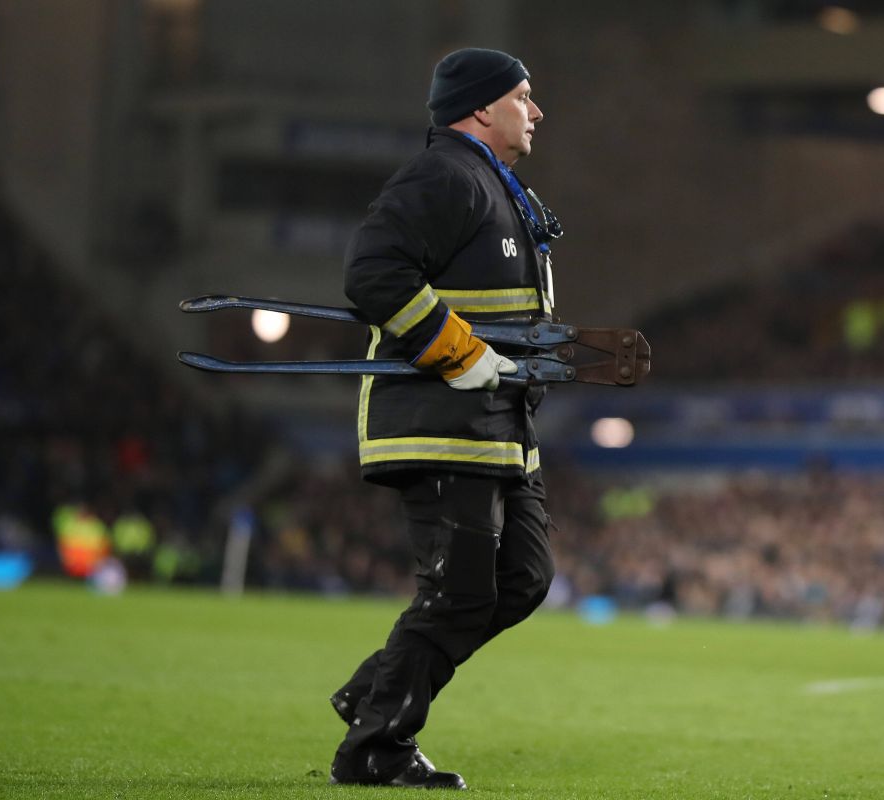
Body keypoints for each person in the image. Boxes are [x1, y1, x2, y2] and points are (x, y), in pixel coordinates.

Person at [328, 48, 561, 789]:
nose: (537, 111)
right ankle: (376, 748)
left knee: (523, 577)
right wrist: (457, 350)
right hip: (442, 423)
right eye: (525, 97)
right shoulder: (445, 175)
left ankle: (376, 691)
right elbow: (372, 273)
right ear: (482, 108)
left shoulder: (494, 185)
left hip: (498, 426)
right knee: (461, 592)